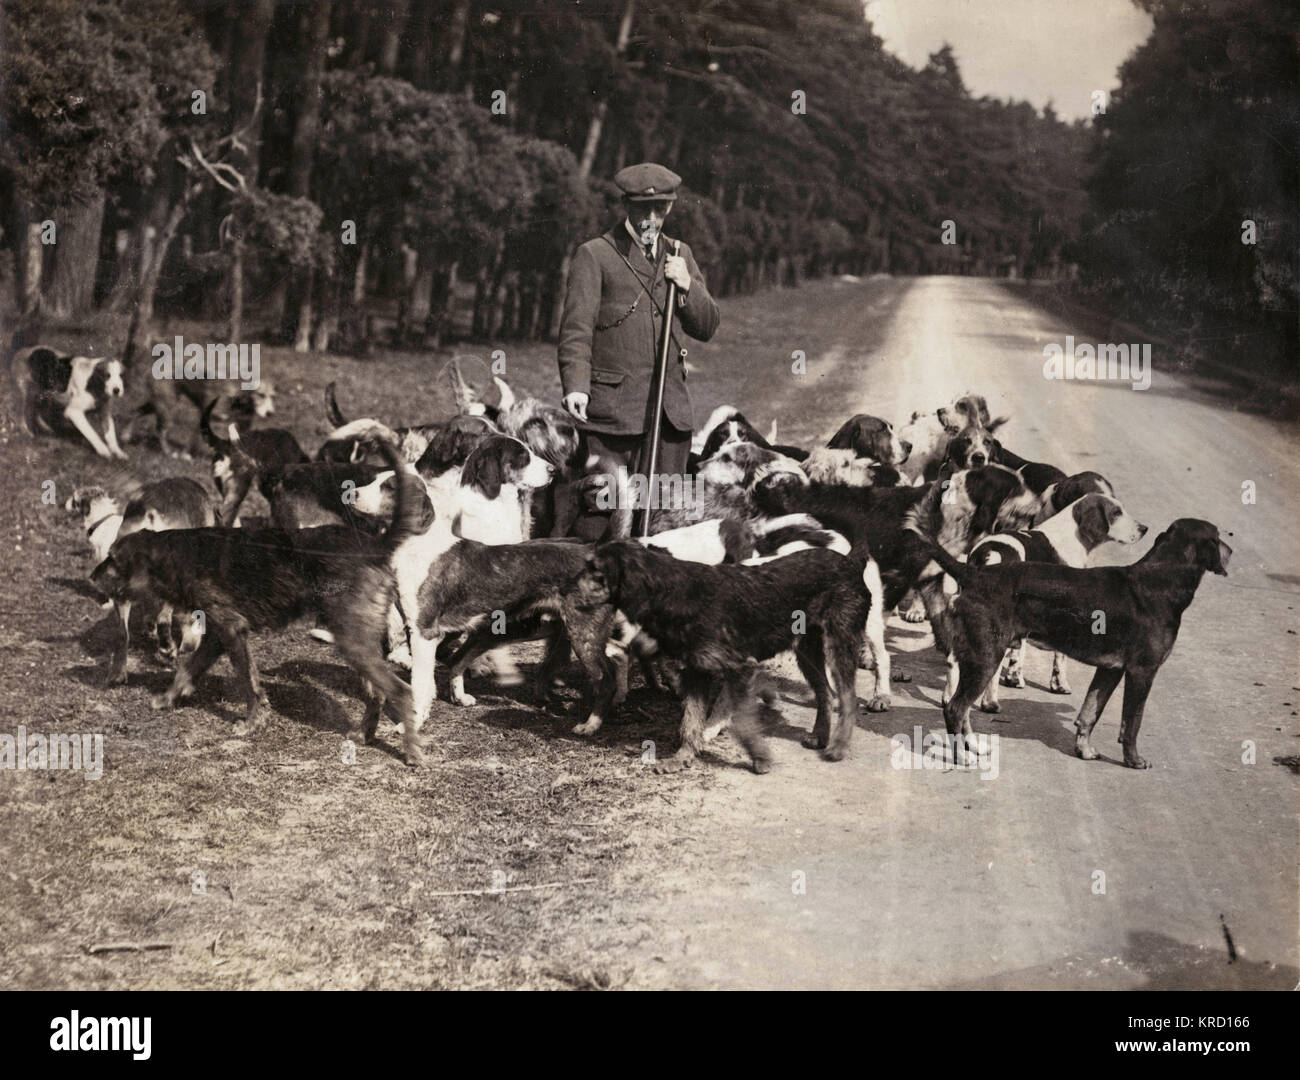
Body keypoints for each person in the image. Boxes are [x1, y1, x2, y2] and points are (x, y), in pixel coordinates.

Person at [557, 162, 720, 539]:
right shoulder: (595, 255)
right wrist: (576, 384)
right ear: (626, 206)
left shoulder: (680, 254)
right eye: (642, 209)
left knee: (662, 522)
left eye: (659, 209)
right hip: (612, 417)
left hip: (668, 417)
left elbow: (708, 325)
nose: (651, 218)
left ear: (670, 208)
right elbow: (576, 330)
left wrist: (686, 286)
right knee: (600, 516)